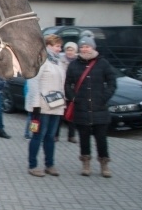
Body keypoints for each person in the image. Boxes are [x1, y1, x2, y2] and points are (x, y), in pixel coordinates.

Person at [64, 31, 117, 177]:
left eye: (87, 46)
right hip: (81, 109)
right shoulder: (74, 65)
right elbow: (67, 84)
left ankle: (104, 165)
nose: (84, 49)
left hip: (100, 108)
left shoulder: (103, 63)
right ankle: (86, 163)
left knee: (101, 139)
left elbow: (112, 83)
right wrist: (73, 98)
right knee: (84, 138)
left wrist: (104, 97)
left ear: (93, 47)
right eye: (82, 47)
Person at [25, 34, 66, 176]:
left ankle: (50, 164)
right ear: (48, 45)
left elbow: (61, 84)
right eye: (57, 46)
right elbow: (33, 82)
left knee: (51, 136)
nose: (60, 49)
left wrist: (63, 103)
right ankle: (33, 165)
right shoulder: (40, 60)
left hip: (56, 105)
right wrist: (35, 104)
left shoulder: (57, 62)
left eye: (60, 46)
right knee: (38, 135)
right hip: (41, 106)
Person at [55, 41, 78, 143]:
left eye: (71, 50)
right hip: (61, 91)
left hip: (73, 91)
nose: (69, 52)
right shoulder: (60, 60)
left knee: (72, 115)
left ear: (75, 51)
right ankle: (55, 135)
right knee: (59, 115)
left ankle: (71, 136)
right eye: (68, 49)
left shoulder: (78, 61)